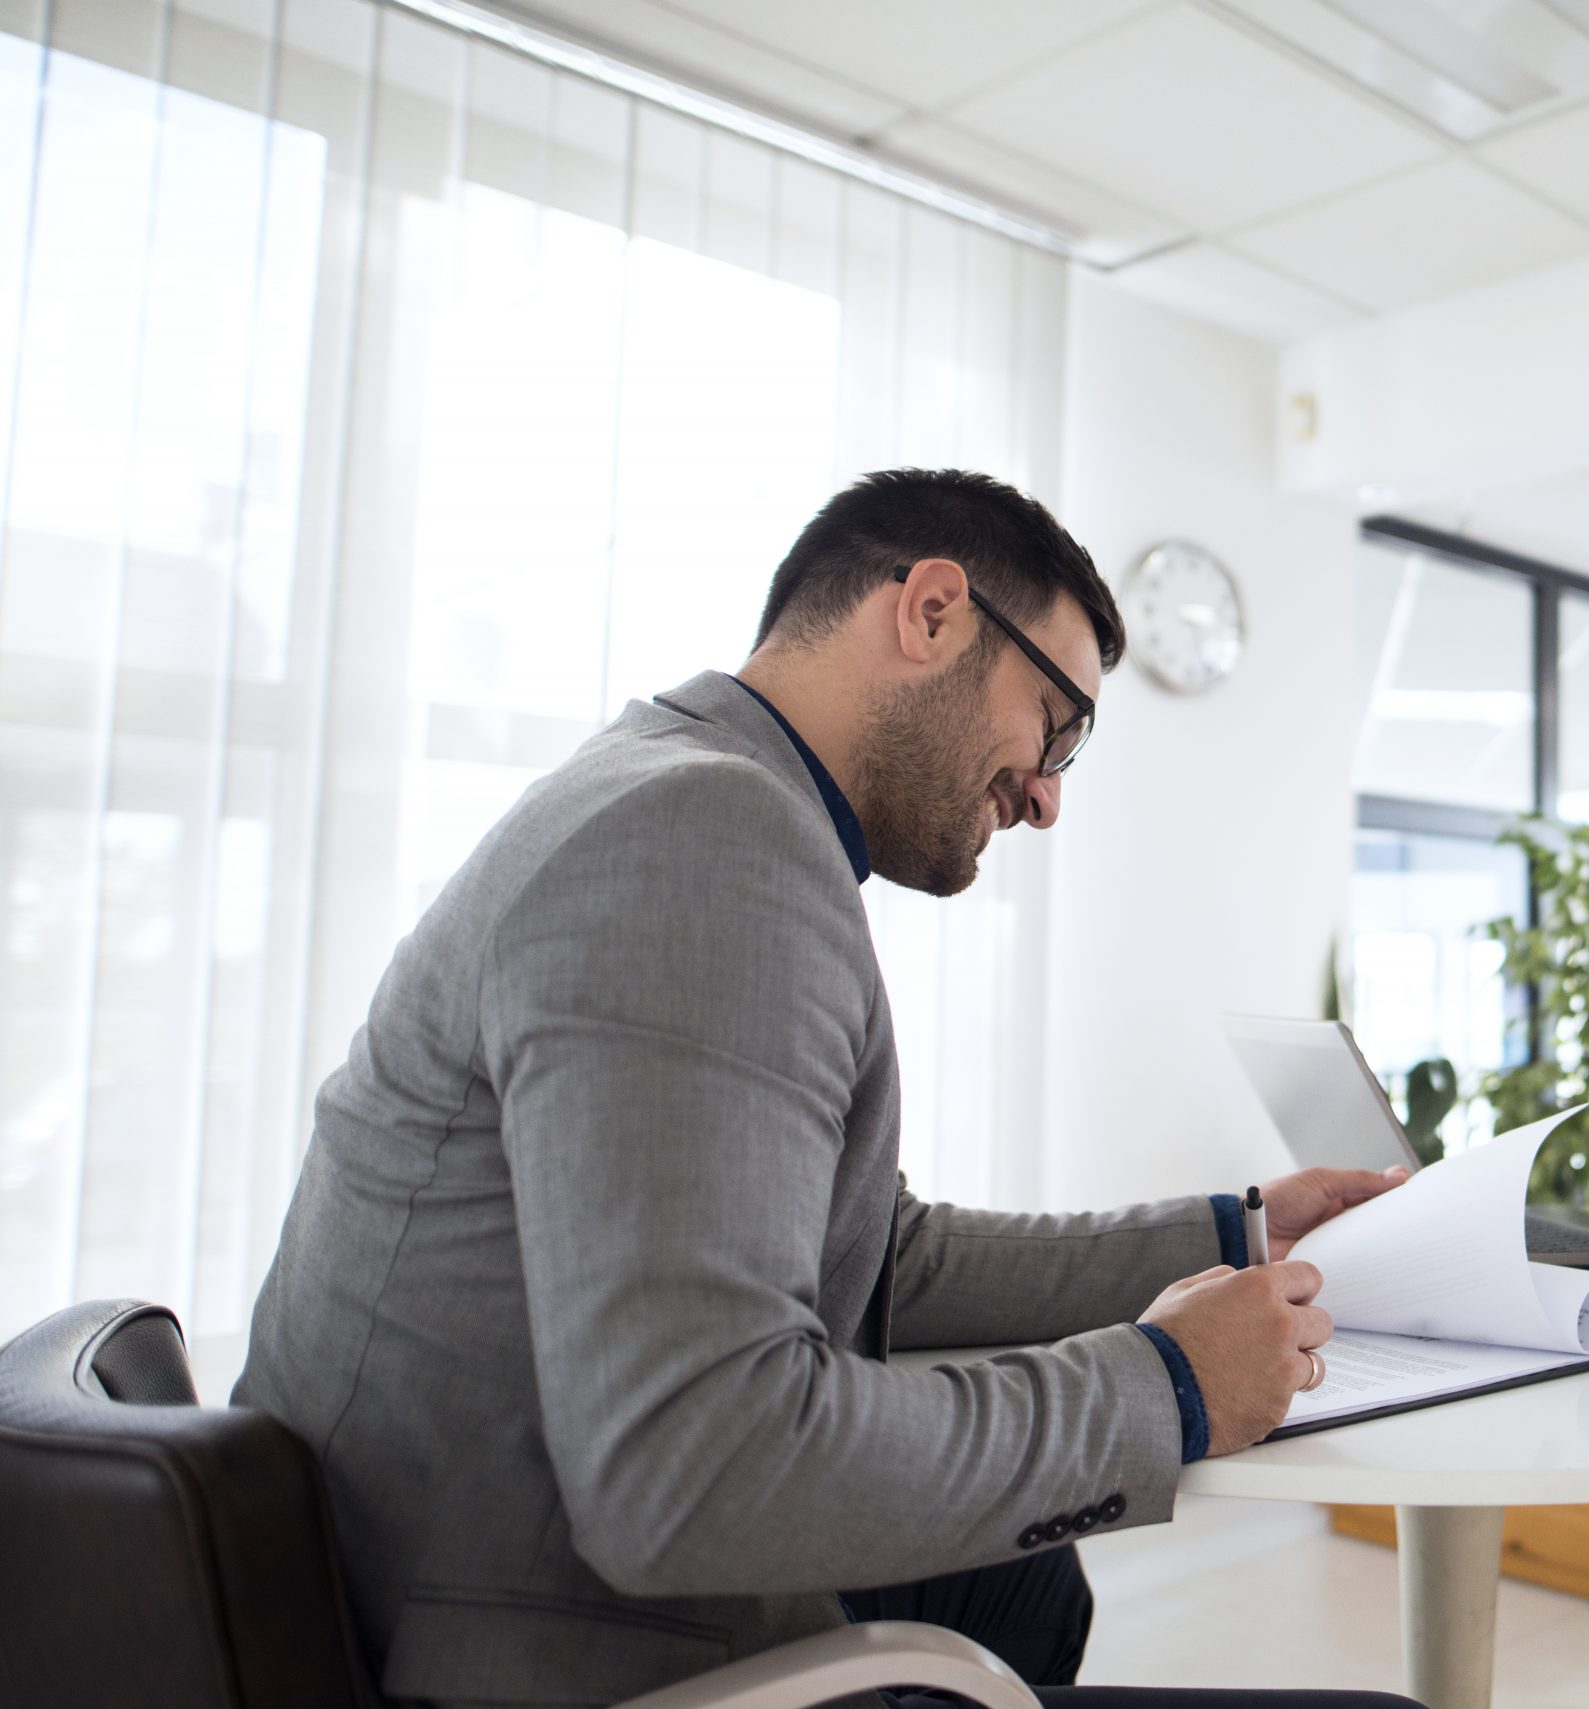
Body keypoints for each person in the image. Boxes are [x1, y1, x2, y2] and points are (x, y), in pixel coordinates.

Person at [234, 469, 1417, 1709]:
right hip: (531, 1640)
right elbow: (691, 1466)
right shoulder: (703, 842)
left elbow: (876, 1251)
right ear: (933, 612)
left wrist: (1237, 1232)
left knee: (1026, 1586)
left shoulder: (676, 786)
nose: (1050, 796)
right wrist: (1165, 1385)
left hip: (448, 1557)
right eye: (1056, 724)